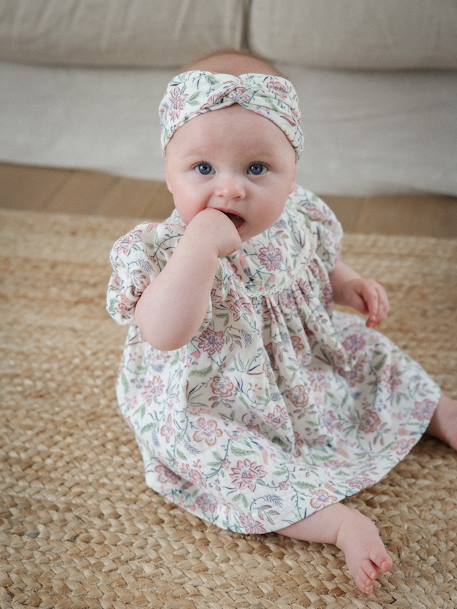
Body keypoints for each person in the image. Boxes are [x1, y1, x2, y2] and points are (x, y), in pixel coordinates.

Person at [106, 51, 457, 596]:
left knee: (366, 349)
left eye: (257, 169)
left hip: (296, 365)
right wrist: (200, 248)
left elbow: (319, 264)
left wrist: (348, 284)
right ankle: (338, 523)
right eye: (203, 169)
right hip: (209, 396)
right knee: (222, 460)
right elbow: (165, 331)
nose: (231, 189)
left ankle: (440, 411)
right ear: (169, 173)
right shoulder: (161, 250)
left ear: (292, 176)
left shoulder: (297, 217)